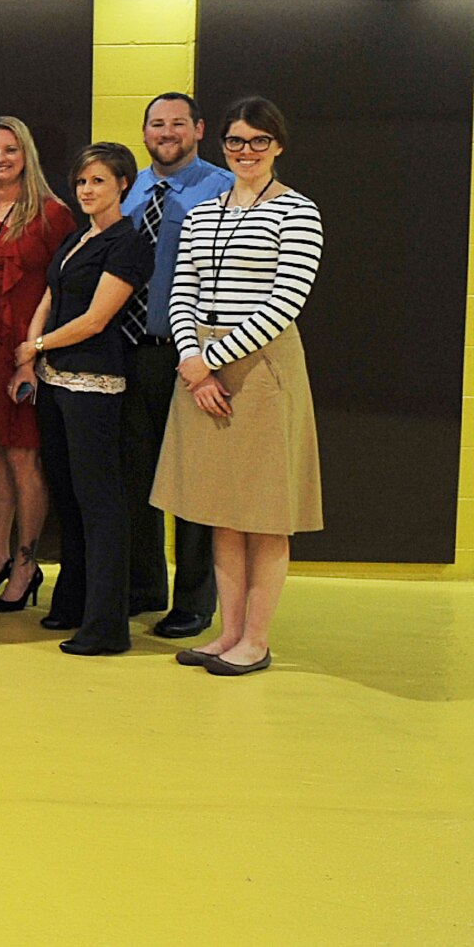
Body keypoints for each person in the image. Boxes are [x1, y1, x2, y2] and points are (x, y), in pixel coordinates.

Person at [152, 98, 322, 677]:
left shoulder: (298, 212)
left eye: (257, 141)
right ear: (220, 144)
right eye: (235, 142)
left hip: (263, 368)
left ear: (277, 145)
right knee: (220, 512)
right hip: (199, 363)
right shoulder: (203, 213)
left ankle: (257, 638)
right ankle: (227, 633)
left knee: (265, 514)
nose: (245, 152)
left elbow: (285, 302)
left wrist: (212, 363)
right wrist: (190, 356)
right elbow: (183, 288)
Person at [13, 143, 152, 654]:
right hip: (54, 378)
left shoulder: (127, 242)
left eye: (98, 181)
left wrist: (38, 344)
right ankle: (71, 603)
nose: (88, 190)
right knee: (69, 499)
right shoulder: (77, 238)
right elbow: (49, 295)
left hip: (93, 383)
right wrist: (29, 356)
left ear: (122, 185)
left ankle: (106, 625)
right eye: (82, 183)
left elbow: (96, 319)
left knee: (100, 504)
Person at [118, 94, 235, 639]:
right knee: (138, 475)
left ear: (199, 128)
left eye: (178, 124)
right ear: (144, 132)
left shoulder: (222, 187)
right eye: (157, 124)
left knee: (192, 481)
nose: (167, 132)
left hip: (190, 354)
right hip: (128, 348)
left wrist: (206, 358)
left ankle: (194, 600)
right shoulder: (129, 188)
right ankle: (145, 584)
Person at [0, 116, 74, 613]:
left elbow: (62, 291)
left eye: (9, 149)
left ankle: (27, 565)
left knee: (24, 458)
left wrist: (35, 353)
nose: (0, 158)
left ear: (26, 154)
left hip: (26, 354)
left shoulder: (53, 215)